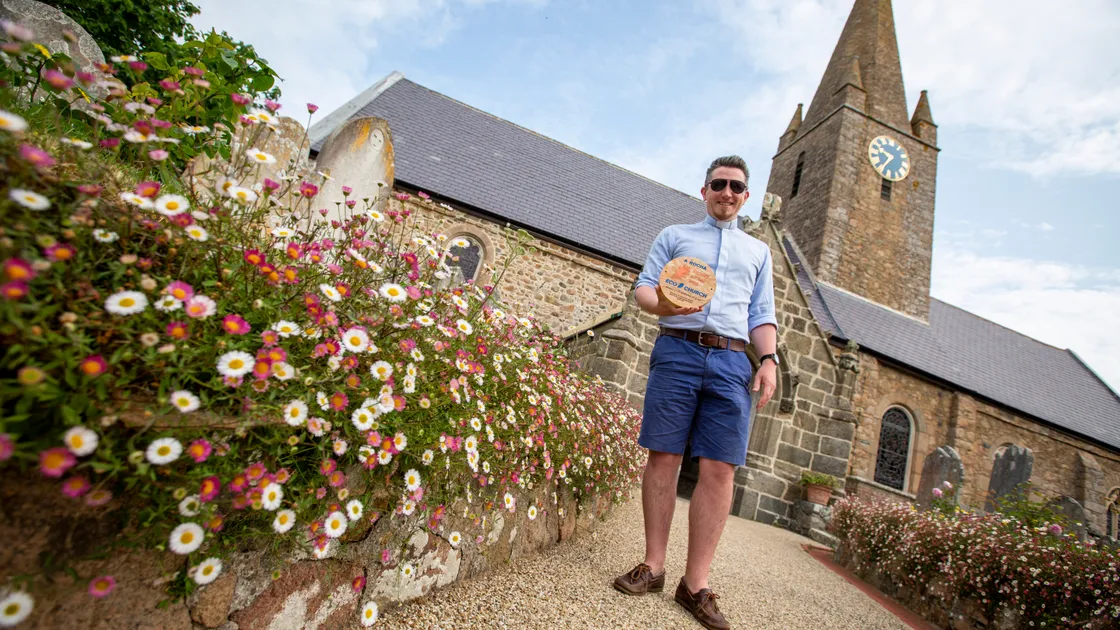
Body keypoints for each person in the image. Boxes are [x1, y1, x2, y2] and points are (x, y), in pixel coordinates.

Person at [613, 155, 778, 630]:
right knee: (663, 456)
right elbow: (644, 289)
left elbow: (761, 313)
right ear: (704, 190)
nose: (727, 192)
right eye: (719, 184)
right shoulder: (674, 237)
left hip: (732, 361)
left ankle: (695, 585)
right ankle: (654, 566)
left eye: (736, 187)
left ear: (746, 197)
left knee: (720, 469)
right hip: (678, 349)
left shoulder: (758, 252)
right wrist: (666, 301)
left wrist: (768, 360)